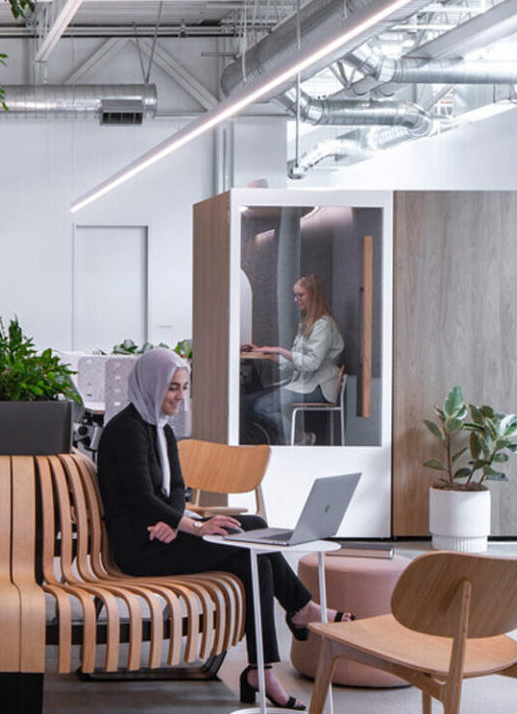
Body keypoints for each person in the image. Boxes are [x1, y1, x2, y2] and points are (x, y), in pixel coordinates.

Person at [96, 349, 350, 711]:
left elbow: (177, 492)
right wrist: (192, 527)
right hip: (139, 548)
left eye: (184, 387)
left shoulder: (160, 429)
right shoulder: (126, 430)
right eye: (172, 388)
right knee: (250, 549)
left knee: (255, 534)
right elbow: (139, 498)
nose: (180, 396)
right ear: (151, 384)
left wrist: (177, 521)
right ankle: (299, 612)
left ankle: (263, 668)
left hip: (161, 535)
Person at [242, 274, 344, 445]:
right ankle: (273, 442)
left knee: (263, 407)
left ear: (313, 295)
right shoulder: (306, 324)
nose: (296, 300)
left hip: (316, 388)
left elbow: (311, 363)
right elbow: (295, 364)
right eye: (294, 295)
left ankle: (300, 439)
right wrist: (267, 354)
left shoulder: (323, 326)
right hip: (302, 383)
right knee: (245, 403)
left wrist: (280, 350)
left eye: (300, 295)